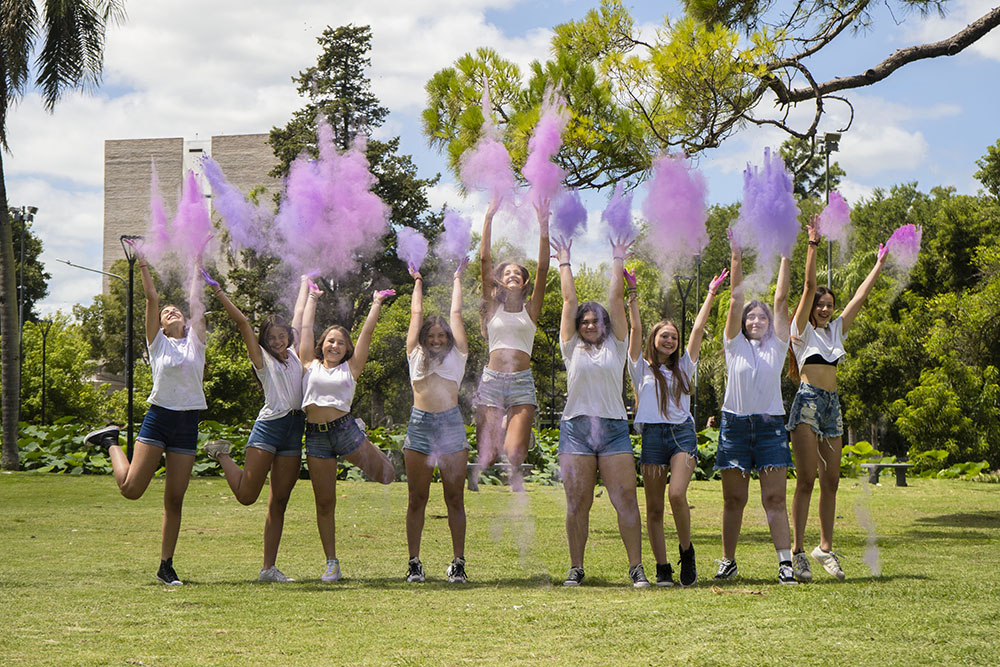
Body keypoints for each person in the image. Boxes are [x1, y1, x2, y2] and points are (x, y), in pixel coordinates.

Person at [83, 254, 206, 586]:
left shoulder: (197, 342)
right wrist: (142, 264)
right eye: (166, 313)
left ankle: (166, 565)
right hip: (159, 419)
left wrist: (196, 265)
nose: (171, 311)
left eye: (175, 309)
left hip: (187, 424)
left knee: (175, 498)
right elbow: (151, 298)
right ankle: (110, 441)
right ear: (160, 326)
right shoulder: (158, 344)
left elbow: (196, 302)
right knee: (131, 489)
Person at [787, 223, 889, 582]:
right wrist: (813, 243)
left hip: (832, 405)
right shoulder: (800, 330)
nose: (826, 308)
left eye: (830, 305)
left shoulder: (836, 330)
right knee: (806, 479)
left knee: (831, 481)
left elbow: (860, 297)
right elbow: (808, 286)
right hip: (807, 403)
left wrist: (879, 264)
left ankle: (824, 548)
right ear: (812, 308)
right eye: (821, 305)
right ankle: (797, 552)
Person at [552, 235, 649, 588]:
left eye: (596, 321)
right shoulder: (571, 346)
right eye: (585, 321)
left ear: (606, 325)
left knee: (625, 498)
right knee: (577, 502)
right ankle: (576, 567)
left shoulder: (618, 346)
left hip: (612, 429)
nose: (590, 325)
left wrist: (617, 259)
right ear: (578, 327)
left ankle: (636, 567)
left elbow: (616, 298)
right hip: (576, 428)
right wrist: (564, 260)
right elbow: (568, 299)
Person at [201, 271, 311, 583]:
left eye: (282, 336)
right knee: (247, 496)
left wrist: (304, 282)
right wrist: (219, 291)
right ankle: (222, 454)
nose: (278, 341)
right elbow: (244, 324)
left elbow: (300, 317)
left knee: (280, 501)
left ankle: (268, 569)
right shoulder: (262, 359)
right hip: (269, 428)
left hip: (294, 430)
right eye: (272, 337)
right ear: (264, 341)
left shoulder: (293, 354)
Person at [627, 265, 728, 587]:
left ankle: (687, 551)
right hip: (652, 439)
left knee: (676, 494)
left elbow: (697, 330)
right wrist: (632, 294)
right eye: (664, 335)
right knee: (654, 508)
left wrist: (711, 293)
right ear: (654, 340)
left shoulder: (685, 367)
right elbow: (635, 330)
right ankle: (662, 567)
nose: (669, 340)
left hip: (681, 435)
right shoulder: (639, 369)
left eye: (674, 337)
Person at [714, 229, 797, 585]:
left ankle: (785, 564)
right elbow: (735, 300)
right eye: (751, 317)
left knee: (775, 498)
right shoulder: (733, 345)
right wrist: (736, 254)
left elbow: (781, 300)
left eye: (761, 317)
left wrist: (786, 253)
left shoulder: (777, 345)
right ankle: (728, 562)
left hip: (769, 426)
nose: (756, 320)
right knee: (734, 500)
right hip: (734, 426)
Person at [299, 281, 395, 582]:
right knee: (325, 502)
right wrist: (312, 296)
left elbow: (366, 334)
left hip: (345, 431)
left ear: (347, 349)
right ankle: (332, 563)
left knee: (387, 476)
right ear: (322, 344)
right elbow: (305, 328)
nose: (335, 345)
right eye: (330, 341)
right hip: (316, 436)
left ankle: (368, 440)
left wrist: (376, 302)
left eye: (341, 342)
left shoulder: (350, 369)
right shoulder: (308, 364)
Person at [474, 197, 550, 491]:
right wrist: (489, 215)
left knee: (514, 456)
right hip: (492, 381)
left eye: (517, 273)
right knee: (489, 456)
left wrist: (543, 224)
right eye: (507, 273)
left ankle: (513, 428)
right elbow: (484, 261)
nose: (512, 275)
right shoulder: (493, 310)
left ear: (525, 282)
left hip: (521, 383)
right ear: (499, 282)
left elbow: (543, 268)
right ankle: (503, 424)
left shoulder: (531, 311)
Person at [403, 259, 471, 584]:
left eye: (441, 334)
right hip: (420, 425)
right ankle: (414, 562)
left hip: (450, 425)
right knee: (417, 497)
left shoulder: (458, 357)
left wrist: (457, 277)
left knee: (454, 497)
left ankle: (458, 563)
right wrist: (417, 280)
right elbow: (416, 316)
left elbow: (456, 315)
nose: (436, 338)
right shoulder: (415, 356)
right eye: (430, 335)